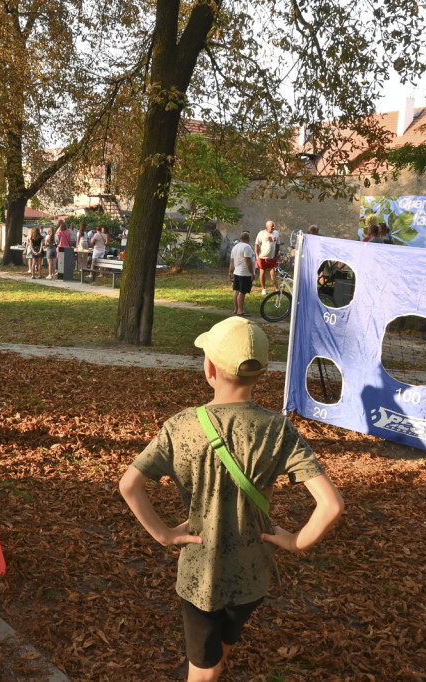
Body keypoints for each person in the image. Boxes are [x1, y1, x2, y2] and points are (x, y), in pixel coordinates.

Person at [119, 317, 344, 682]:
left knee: (202, 670)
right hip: (253, 572)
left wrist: (164, 535)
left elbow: (129, 486)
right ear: (261, 372)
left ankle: (206, 669)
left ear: (209, 368)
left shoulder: (181, 426)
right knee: (225, 639)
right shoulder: (278, 429)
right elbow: (331, 505)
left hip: (201, 576)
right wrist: (295, 542)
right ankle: (213, 663)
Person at [229, 232, 257, 317]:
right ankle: (240, 311)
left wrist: (230, 271)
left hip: (237, 272)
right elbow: (247, 260)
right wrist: (251, 272)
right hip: (245, 273)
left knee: (236, 291)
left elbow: (232, 261)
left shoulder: (235, 247)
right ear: (248, 238)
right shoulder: (247, 247)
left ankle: (236, 309)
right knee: (242, 292)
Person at [255, 220, 279, 295]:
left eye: (274, 226)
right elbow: (257, 245)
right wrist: (257, 256)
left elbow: (277, 245)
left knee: (273, 274)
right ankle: (264, 289)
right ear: (267, 226)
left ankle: (276, 288)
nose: (273, 227)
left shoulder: (276, 233)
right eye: (272, 226)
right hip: (262, 257)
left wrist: (276, 254)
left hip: (272, 257)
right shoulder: (261, 233)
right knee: (262, 273)